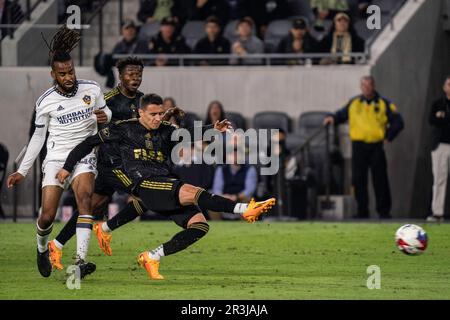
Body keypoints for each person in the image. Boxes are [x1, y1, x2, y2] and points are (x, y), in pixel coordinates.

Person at [56, 93, 276, 280]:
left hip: (164, 180)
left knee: (199, 226)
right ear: (140, 113)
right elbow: (88, 143)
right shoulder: (123, 129)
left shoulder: (165, 129)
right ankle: (245, 209)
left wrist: (213, 128)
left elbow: (188, 134)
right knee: (192, 192)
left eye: (160, 113)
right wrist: (67, 167)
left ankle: (152, 257)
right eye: (153, 114)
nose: (158, 118)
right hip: (144, 182)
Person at [6, 25, 112, 278]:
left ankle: (79, 262)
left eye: (71, 71)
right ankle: (42, 248)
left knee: (85, 200)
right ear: (53, 74)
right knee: (47, 216)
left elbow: (107, 112)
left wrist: (104, 116)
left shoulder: (92, 89)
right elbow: (38, 137)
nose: (69, 77)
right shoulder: (45, 101)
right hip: (55, 158)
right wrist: (22, 170)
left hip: (84, 154)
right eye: (63, 74)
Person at [47, 57, 149, 269]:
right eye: (130, 74)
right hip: (110, 163)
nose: (135, 78)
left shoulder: (142, 101)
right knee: (147, 195)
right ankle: (106, 229)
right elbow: (90, 124)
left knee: (91, 207)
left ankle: (56, 244)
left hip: (127, 163)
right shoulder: (108, 99)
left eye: (138, 74)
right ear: (120, 76)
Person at [323, 76, 404, 219]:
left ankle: (384, 212)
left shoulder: (383, 103)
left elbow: (398, 122)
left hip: (376, 146)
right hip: (358, 146)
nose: (366, 88)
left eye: (369, 85)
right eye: (364, 85)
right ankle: (362, 211)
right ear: (361, 87)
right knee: (358, 180)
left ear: (374, 86)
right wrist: (332, 117)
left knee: (380, 180)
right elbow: (341, 114)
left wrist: (388, 137)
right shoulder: (354, 103)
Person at [212, 146, 258, 219]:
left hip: (241, 199)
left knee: (250, 200)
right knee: (211, 200)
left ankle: (246, 226)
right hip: (224, 199)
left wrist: (236, 197)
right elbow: (217, 189)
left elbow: (249, 190)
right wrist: (224, 197)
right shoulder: (221, 169)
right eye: (232, 155)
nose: (235, 157)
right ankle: (217, 225)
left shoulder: (249, 169)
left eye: (238, 154)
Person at [427, 76, 450, 223]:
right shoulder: (438, 103)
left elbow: (442, 120)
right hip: (440, 145)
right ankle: (437, 213)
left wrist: (443, 118)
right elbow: (432, 120)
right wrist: (443, 118)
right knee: (439, 179)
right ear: (444, 87)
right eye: (449, 83)